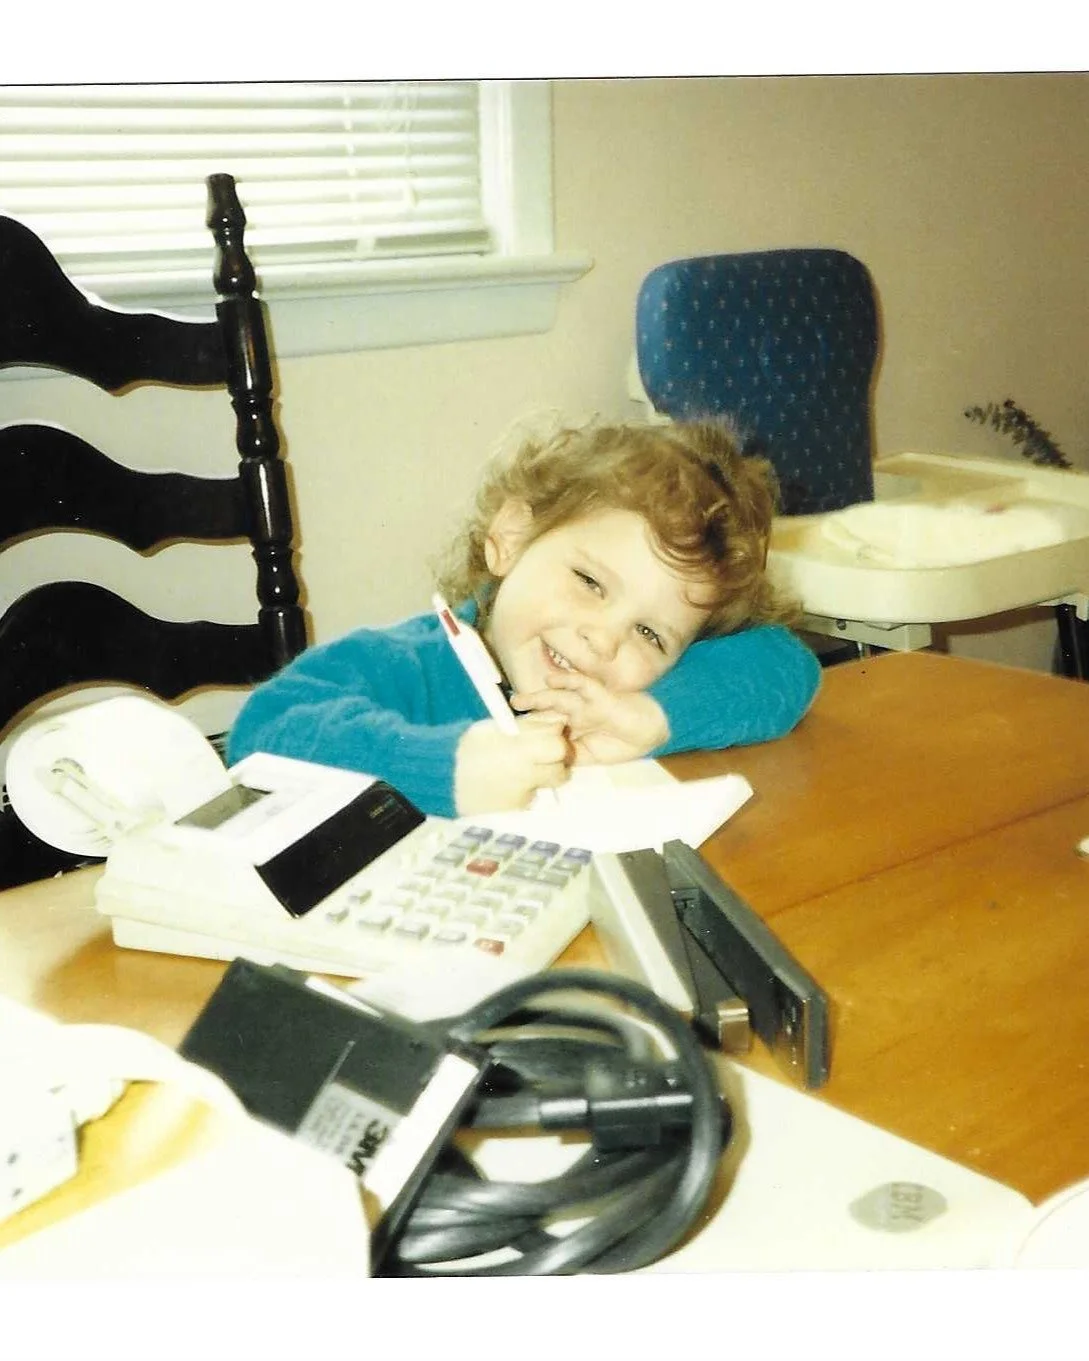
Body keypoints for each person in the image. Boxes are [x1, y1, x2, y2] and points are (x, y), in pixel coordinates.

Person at [228, 418, 821, 817]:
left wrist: (653, 718)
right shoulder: (404, 664)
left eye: (650, 633)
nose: (605, 638)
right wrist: (446, 766)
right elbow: (259, 735)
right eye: (590, 582)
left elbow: (787, 664)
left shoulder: (623, 694)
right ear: (510, 538)